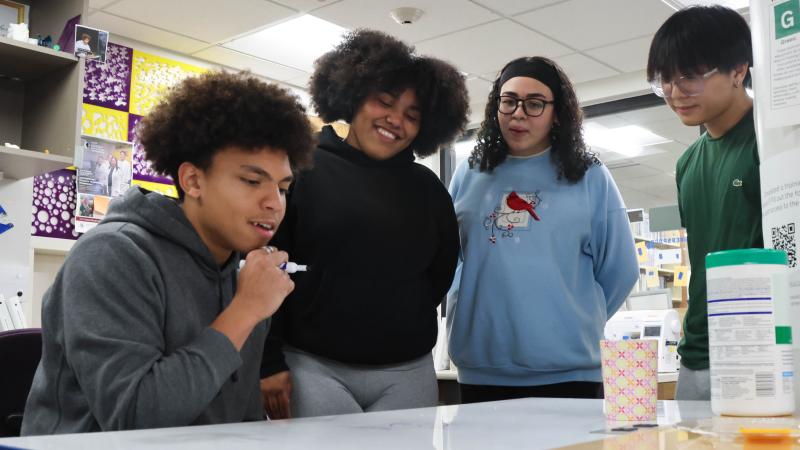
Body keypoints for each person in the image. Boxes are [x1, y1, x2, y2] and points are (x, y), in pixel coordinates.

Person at [21, 70, 315, 435]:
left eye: (283, 188)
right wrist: (246, 309)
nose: (274, 203)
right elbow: (136, 418)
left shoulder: (238, 265)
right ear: (192, 180)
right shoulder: (110, 256)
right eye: (252, 181)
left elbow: (241, 413)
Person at [259, 29, 468, 419]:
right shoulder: (303, 169)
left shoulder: (429, 190)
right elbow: (267, 267)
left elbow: (438, 275)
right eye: (384, 103)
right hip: (313, 366)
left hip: (406, 372)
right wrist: (268, 362)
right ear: (353, 97)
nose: (395, 121)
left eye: (412, 115)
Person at [447, 56, 639, 403]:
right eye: (509, 101)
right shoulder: (469, 173)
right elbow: (448, 261)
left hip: (570, 374)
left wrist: (568, 319)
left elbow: (620, 271)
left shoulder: (590, 175)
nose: (518, 113)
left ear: (557, 113)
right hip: (481, 370)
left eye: (535, 104)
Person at [646, 5, 760, 401]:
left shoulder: (776, 143)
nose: (676, 93)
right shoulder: (688, 163)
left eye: (690, 78)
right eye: (665, 81)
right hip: (696, 354)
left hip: (760, 352)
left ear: (738, 70)